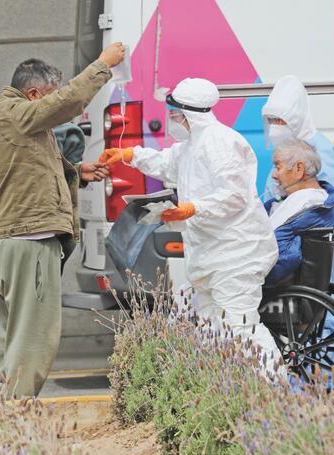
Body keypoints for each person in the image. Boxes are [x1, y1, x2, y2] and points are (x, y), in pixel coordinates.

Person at [100, 78, 282, 370]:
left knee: (240, 327)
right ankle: (231, 396)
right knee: (213, 332)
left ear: (188, 115)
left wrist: (192, 208)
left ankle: (276, 393)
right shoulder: (191, 145)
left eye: (174, 115)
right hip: (213, 255)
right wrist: (130, 155)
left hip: (238, 253)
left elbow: (234, 195)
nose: (171, 120)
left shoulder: (222, 142)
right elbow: (165, 163)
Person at [0, 42, 125, 397]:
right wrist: (102, 66)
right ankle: (13, 426)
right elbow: (65, 103)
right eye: (47, 97)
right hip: (28, 242)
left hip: (4, 243)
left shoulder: (3, 118)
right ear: (33, 94)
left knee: (5, 343)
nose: (52, 106)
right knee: (32, 342)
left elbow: (25, 167)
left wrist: (77, 171)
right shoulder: (15, 112)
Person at [261, 75, 334, 288]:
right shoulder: (288, 152)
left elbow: (326, 210)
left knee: (321, 309)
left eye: (280, 121)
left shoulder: (322, 154)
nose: (274, 128)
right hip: (294, 260)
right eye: (271, 121)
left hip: (316, 258)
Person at [264, 139, 334, 286]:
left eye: (278, 166)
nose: (274, 175)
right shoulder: (317, 199)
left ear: (298, 169)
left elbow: (280, 258)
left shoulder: (305, 203)